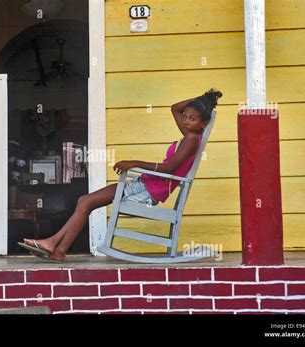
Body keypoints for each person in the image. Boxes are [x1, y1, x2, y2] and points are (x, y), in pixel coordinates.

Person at [20, 88, 223, 261]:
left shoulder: (191, 139)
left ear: (203, 124)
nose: (186, 121)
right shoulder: (189, 133)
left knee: (86, 202)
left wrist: (134, 162)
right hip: (144, 183)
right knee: (85, 201)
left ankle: (55, 245)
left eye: (193, 118)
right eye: (186, 117)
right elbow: (174, 108)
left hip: (148, 190)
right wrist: (203, 100)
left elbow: (170, 170)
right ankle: (57, 247)